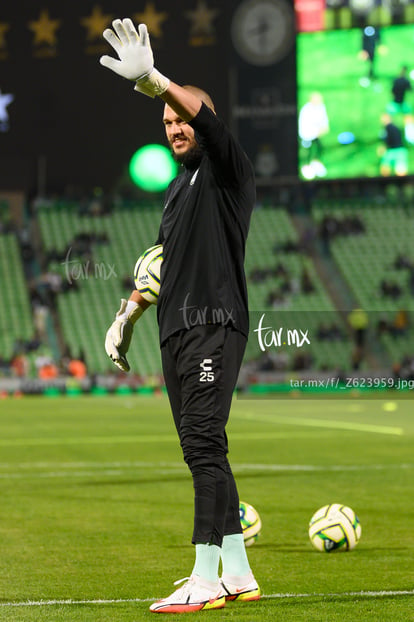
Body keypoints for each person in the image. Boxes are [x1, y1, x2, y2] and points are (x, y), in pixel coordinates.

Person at [100, 18, 260, 615]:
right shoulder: (176, 191)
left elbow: (207, 122)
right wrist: (128, 316)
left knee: (201, 443)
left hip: (214, 324)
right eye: (166, 122)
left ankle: (204, 575)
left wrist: (159, 80)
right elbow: (161, 267)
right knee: (206, 445)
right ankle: (237, 572)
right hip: (176, 330)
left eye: (181, 119)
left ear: (203, 121)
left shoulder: (228, 171)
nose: (173, 128)